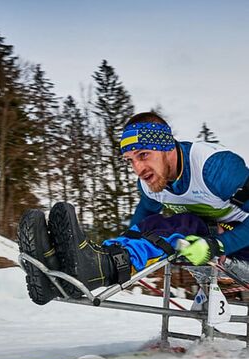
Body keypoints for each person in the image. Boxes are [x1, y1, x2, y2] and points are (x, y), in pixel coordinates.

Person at [18, 111, 249, 305]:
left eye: (144, 155)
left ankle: (97, 269)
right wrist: (120, 247)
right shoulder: (151, 184)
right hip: (214, 237)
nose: (138, 168)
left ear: (167, 146)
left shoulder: (215, 167)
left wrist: (218, 245)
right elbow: (144, 222)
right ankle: (68, 268)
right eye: (130, 160)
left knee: (187, 224)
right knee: (170, 226)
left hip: (240, 245)